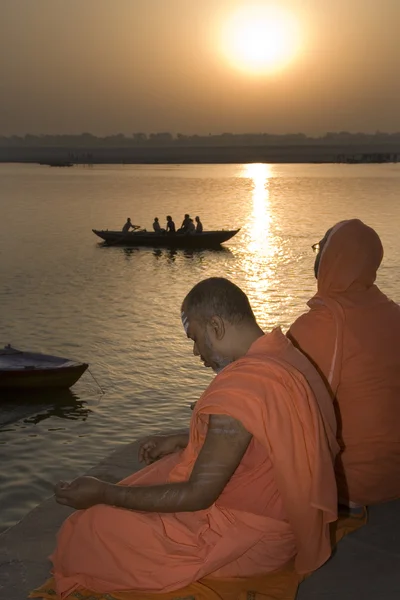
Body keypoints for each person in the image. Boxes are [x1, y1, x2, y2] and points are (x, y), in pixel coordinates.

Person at [51, 278, 338, 598]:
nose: (194, 352)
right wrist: (186, 438)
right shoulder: (286, 354)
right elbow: (271, 436)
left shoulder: (246, 383)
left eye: (195, 338)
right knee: (156, 474)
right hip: (283, 518)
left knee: (85, 531)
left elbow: (199, 495)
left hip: (249, 543)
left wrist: (104, 493)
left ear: (215, 326)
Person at [288, 219, 400, 508]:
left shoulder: (318, 326)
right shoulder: (394, 315)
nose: (316, 256)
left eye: (320, 248)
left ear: (331, 257)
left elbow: (284, 408)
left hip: (350, 486)